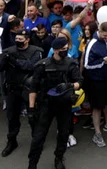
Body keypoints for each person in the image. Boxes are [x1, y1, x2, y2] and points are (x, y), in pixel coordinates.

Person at [27, 36, 83, 169]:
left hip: (64, 104)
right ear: (55, 50)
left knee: (63, 134)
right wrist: (31, 109)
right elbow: (33, 88)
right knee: (38, 137)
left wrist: (69, 85)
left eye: (66, 48)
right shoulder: (43, 65)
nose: (65, 50)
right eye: (63, 49)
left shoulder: (70, 64)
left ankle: (59, 158)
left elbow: (80, 82)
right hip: (46, 105)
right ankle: (32, 163)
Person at [0, 29, 44, 157]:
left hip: (29, 90)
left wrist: (15, 62)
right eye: (16, 39)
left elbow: (32, 66)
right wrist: (3, 59)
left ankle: (37, 141)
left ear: (27, 39)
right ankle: (12, 141)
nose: (18, 41)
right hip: (12, 89)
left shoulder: (36, 51)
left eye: (20, 40)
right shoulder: (8, 51)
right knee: (12, 117)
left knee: (32, 116)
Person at [83, 21, 107, 148]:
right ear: (99, 31)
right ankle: (97, 133)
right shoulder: (92, 44)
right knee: (97, 106)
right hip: (97, 80)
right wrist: (102, 62)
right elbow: (87, 65)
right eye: (104, 36)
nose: (106, 38)